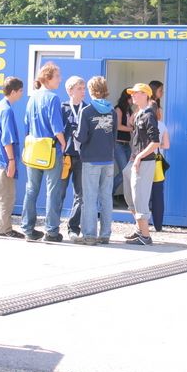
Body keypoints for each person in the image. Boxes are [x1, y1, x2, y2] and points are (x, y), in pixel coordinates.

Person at [21, 62, 67, 242]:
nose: (60, 79)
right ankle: (51, 231)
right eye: (57, 76)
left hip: (33, 148)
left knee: (31, 189)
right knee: (53, 191)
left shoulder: (32, 98)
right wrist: (63, 144)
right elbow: (57, 127)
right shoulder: (53, 98)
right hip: (50, 149)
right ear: (47, 78)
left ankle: (28, 228)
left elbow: (26, 124)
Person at [75, 76, 117, 245]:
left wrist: (73, 135)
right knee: (106, 198)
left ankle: (89, 235)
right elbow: (113, 137)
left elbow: (82, 137)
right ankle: (105, 234)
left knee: (90, 198)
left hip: (91, 160)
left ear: (91, 91)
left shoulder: (86, 111)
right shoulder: (112, 111)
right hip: (108, 160)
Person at [122, 83, 160, 245]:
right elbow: (138, 140)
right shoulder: (140, 113)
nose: (133, 96)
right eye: (132, 93)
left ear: (145, 95)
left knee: (140, 198)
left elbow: (155, 142)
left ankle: (145, 236)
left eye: (136, 93)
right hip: (136, 160)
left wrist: (139, 157)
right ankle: (139, 230)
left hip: (144, 162)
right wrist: (134, 156)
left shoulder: (149, 115)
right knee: (130, 196)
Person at [0, 76, 25, 239]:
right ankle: (4, 229)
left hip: (0, 158)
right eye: (20, 91)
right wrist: (11, 161)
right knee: (7, 194)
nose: (22, 94)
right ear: (13, 92)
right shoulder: (7, 110)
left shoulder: (0, 107)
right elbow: (7, 139)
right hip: (6, 159)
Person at [58, 76, 88, 241]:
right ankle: (53, 226)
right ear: (69, 91)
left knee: (81, 195)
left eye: (84, 89)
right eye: (79, 89)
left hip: (82, 158)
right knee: (59, 193)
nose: (83, 92)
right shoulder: (62, 108)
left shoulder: (88, 109)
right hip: (65, 157)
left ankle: (73, 228)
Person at [150, 104, 170, 232]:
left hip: (143, 162)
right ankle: (158, 225)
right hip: (157, 162)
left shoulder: (142, 121)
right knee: (158, 195)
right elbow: (167, 145)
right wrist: (158, 145)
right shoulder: (161, 125)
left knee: (142, 194)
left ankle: (141, 225)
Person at [113, 89, 133, 203]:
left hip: (126, 145)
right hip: (118, 144)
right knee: (125, 171)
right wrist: (132, 129)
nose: (133, 100)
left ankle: (127, 198)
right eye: (132, 97)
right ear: (127, 98)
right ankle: (108, 194)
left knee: (129, 171)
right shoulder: (118, 109)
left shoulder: (129, 110)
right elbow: (118, 126)